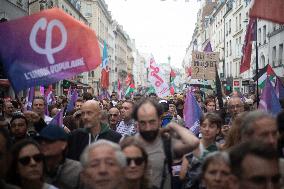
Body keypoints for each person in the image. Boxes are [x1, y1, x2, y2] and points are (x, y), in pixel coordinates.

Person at [132, 98, 199, 189]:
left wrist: (173, 125)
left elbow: (193, 142)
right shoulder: (129, 144)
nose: (148, 128)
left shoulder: (167, 143)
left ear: (160, 120)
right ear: (137, 123)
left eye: (152, 122)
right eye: (143, 123)